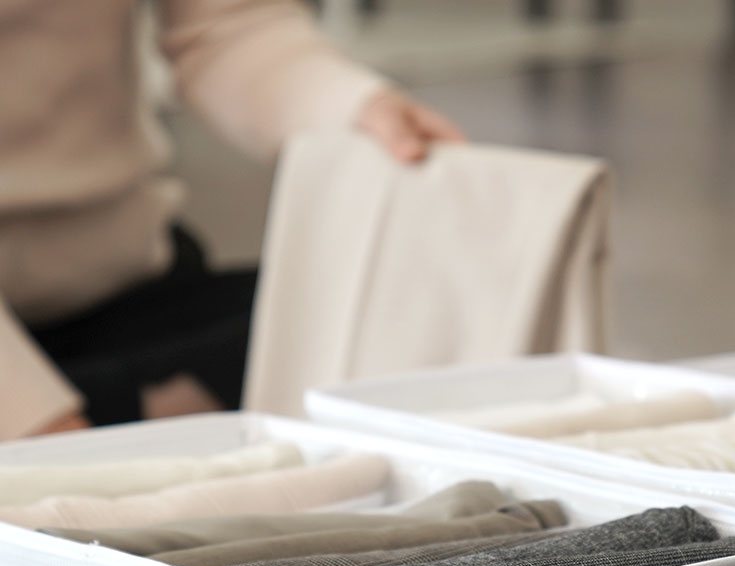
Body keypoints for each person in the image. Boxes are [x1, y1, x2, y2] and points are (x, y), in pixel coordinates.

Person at [0, 0, 463, 441]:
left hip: (130, 288)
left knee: (415, 326)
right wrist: (32, 421)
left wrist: (355, 109)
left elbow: (229, 27)